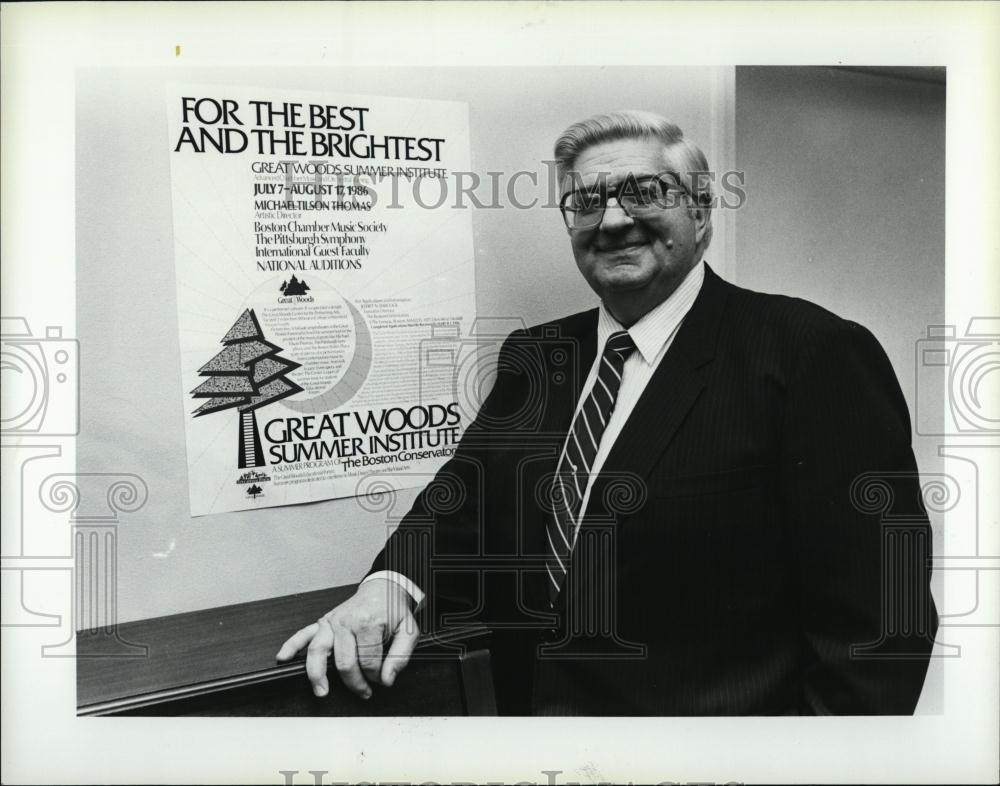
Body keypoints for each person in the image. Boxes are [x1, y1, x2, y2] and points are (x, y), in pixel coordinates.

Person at [277, 110, 937, 715]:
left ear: (702, 211)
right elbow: (462, 502)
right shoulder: (538, 356)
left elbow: (884, 626)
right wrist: (390, 587)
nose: (613, 220)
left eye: (644, 193)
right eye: (586, 202)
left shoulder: (809, 354)